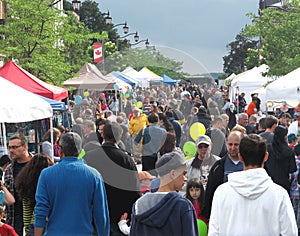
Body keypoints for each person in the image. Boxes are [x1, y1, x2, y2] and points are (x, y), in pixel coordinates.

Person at [208, 134, 298, 236]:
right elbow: (290, 232)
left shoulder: (221, 192)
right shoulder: (279, 195)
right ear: (266, 157)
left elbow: (214, 231)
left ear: (240, 157)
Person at [34, 132, 109, 236]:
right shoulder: (94, 175)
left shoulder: (46, 174)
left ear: (60, 150)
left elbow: (41, 210)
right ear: (81, 150)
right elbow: (101, 214)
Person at [84, 122, 140, 235]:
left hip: (94, 214)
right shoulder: (126, 159)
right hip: (119, 215)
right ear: (119, 137)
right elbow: (134, 190)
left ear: (103, 135)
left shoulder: (89, 157)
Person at [130, 151, 199, 236]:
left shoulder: (139, 205)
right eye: (183, 173)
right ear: (173, 173)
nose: (185, 178)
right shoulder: (183, 206)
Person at [202, 130, 244, 220]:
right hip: (224, 214)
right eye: (230, 144)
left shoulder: (249, 164)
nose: (233, 148)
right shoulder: (218, 166)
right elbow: (210, 192)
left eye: (236, 144)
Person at [15, 153, 54, 236]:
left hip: (35, 225)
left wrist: (27, 230)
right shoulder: (51, 182)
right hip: (52, 223)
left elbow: (27, 212)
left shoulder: (26, 185)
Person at [4, 134, 31, 236]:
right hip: (14, 218)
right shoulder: (9, 170)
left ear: (25, 146)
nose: (11, 150)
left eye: (14, 147)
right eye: (9, 147)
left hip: (34, 218)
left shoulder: (37, 164)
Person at [264, 125, 297, 193]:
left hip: (269, 182)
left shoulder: (268, 148)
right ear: (285, 136)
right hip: (284, 183)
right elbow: (293, 169)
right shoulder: (289, 151)